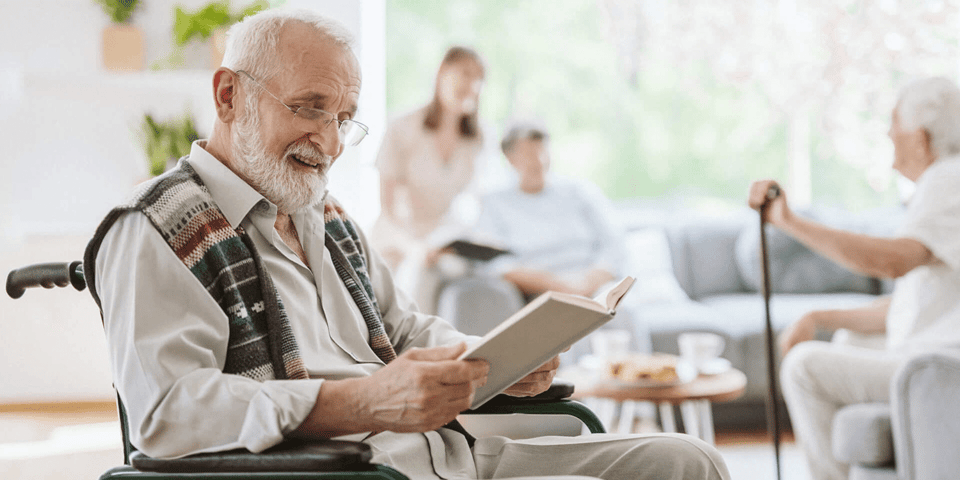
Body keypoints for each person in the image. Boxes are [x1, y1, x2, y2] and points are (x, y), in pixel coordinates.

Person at [83, 9, 729, 480]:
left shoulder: (325, 216)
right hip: (347, 469)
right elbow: (168, 412)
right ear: (229, 95)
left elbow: (404, 327)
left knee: (685, 461)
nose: (331, 144)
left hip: (451, 455)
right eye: (310, 108)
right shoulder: (154, 228)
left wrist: (491, 359)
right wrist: (356, 402)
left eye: (343, 119)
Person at [746, 76, 960, 480]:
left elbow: (892, 262)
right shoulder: (942, 185)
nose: (887, 132)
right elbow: (915, 305)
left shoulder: (948, 181)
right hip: (936, 352)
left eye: (894, 121)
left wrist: (790, 222)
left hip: (942, 367)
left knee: (803, 366)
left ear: (919, 136)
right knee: (849, 338)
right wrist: (821, 317)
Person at [475, 122, 650, 355]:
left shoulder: (579, 192)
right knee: (567, 326)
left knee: (624, 311)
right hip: (544, 290)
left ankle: (641, 383)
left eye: (543, 151)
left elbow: (615, 245)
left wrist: (587, 282)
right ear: (509, 158)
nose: (539, 160)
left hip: (594, 282)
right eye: (529, 154)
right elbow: (494, 264)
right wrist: (558, 285)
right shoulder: (494, 202)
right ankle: (583, 391)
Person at [371, 46, 496, 314]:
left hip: (446, 239)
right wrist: (415, 248)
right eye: (464, 73)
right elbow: (387, 213)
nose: (472, 83)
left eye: (479, 77)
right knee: (418, 274)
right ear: (441, 73)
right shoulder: (402, 128)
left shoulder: (478, 138)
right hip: (400, 239)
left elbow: (477, 202)